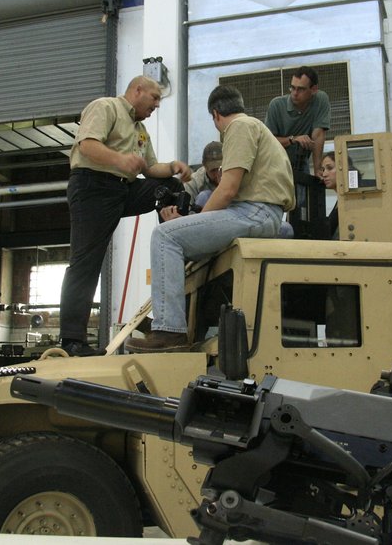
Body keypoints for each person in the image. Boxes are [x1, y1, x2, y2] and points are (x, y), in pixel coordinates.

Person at [125, 85, 295, 352]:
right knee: (183, 242)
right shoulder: (256, 128)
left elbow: (226, 190)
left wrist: (194, 223)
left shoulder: (238, 127)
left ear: (216, 115)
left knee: (165, 235)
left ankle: (169, 330)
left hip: (254, 212)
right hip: (265, 212)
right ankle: (179, 321)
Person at [58, 75, 192, 357]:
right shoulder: (105, 107)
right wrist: (120, 160)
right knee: (86, 263)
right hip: (93, 187)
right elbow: (87, 145)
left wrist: (173, 166)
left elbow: (151, 169)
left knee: (171, 187)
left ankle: (175, 236)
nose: (157, 104)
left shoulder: (141, 130)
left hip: (124, 189)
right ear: (137, 90)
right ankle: (72, 341)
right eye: (155, 98)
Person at [265, 66, 330, 178]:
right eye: (292, 88)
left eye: (301, 89)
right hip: (274, 165)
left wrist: (318, 169)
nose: (295, 93)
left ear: (314, 89)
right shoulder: (276, 105)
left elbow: (318, 135)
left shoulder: (320, 100)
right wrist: (293, 139)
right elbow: (267, 142)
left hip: (300, 163)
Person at [183, 141, 222, 208]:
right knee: (204, 197)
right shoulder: (193, 183)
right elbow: (186, 212)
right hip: (203, 216)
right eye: (213, 170)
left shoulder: (236, 175)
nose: (217, 174)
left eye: (220, 169)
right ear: (205, 166)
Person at [320, 151, 340, 239]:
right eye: (323, 170)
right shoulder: (339, 202)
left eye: (330, 168)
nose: (324, 174)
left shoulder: (352, 201)